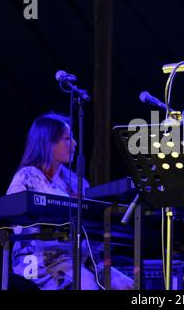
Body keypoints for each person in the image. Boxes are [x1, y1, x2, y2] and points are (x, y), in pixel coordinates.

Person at [7, 113, 133, 290]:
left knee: (128, 285)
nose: (74, 144)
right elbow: (15, 222)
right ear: (48, 143)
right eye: (67, 139)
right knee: (87, 284)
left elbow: (89, 228)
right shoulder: (27, 177)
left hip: (80, 259)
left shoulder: (75, 181)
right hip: (40, 260)